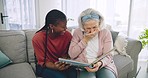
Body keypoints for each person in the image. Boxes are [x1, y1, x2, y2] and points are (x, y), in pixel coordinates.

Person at [68, 8, 118, 78]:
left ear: (99, 23)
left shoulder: (105, 33)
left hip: (103, 64)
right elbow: (72, 54)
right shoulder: (78, 32)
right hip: (84, 66)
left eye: (95, 27)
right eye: (88, 28)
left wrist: (100, 63)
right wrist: (85, 40)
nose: (92, 31)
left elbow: (108, 55)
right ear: (83, 26)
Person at [32, 9, 77, 78]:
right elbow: (42, 62)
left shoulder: (67, 35)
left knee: (74, 75)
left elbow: (70, 53)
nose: (66, 29)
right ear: (51, 26)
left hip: (62, 64)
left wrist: (66, 59)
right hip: (45, 66)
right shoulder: (38, 38)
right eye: (63, 27)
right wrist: (54, 66)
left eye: (66, 26)